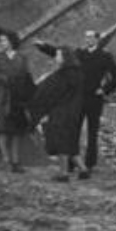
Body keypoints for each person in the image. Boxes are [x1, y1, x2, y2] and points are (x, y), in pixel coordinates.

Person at [64, 30, 116, 177]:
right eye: (86, 37)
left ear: (97, 39)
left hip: (94, 98)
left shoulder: (104, 56)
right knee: (74, 130)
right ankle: (72, 162)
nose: (88, 40)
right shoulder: (79, 54)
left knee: (92, 131)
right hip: (78, 98)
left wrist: (104, 90)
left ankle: (90, 164)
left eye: (91, 37)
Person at [29, 45, 85, 182]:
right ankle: (83, 169)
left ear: (65, 58)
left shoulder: (63, 75)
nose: (56, 57)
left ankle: (63, 172)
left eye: (58, 55)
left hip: (60, 111)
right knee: (71, 142)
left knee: (61, 142)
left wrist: (41, 108)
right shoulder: (77, 73)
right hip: (74, 111)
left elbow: (50, 93)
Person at [0, 28, 35, 173]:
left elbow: (27, 75)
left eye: (4, 40)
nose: (2, 43)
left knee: (17, 130)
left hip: (18, 98)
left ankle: (16, 161)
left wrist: (25, 92)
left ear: (11, 41)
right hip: (3, 97)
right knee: (2, 129)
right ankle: (6, 160)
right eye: (0, 40)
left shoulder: (22, 57)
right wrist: (10, 81)